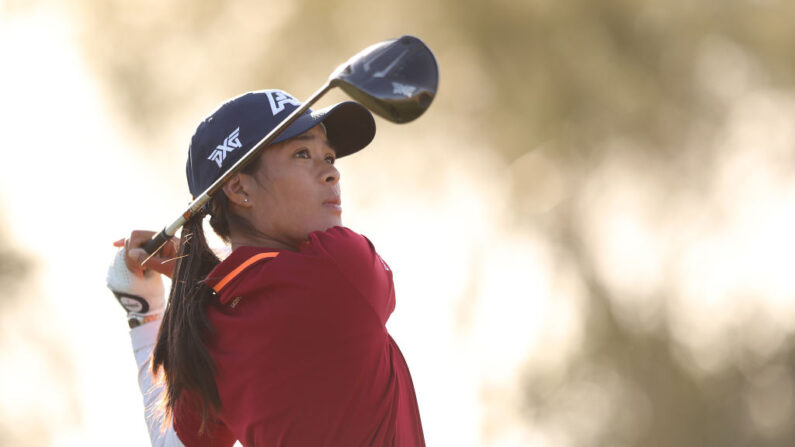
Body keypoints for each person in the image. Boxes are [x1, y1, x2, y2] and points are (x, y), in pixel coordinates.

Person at [106, 89, 426, 446]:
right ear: (239, 188)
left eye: (330, 156)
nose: (331, 173)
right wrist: (193, 274)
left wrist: (143, 310)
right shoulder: (343, 266)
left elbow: (171, 443)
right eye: (302, 154)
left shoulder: (207, 326)